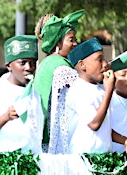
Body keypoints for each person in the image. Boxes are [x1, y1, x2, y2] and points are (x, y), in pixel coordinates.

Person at [66, 38, 127, 154]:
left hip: (102, 159)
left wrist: (124, 140)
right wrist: (109, 90)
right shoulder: (78, 90)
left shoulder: (100, 89)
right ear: (82, 65)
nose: (105, 64)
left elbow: (105, 128)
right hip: (84, 160)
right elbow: (94, 124)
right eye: (99, 60)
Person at [0, 35, 43, 154]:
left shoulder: (35, 94)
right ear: (9, 66)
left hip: (32, 163)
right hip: (6, 164)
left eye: (33, 63)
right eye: (22, 63)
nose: (29, 68)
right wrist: (6, 117)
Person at [33, 9, 84, 154]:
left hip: (41, 134)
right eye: (71, 40)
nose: (75, 43)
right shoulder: (61, 65)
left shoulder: (46, 62)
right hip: (54, 140)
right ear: (57, 42)